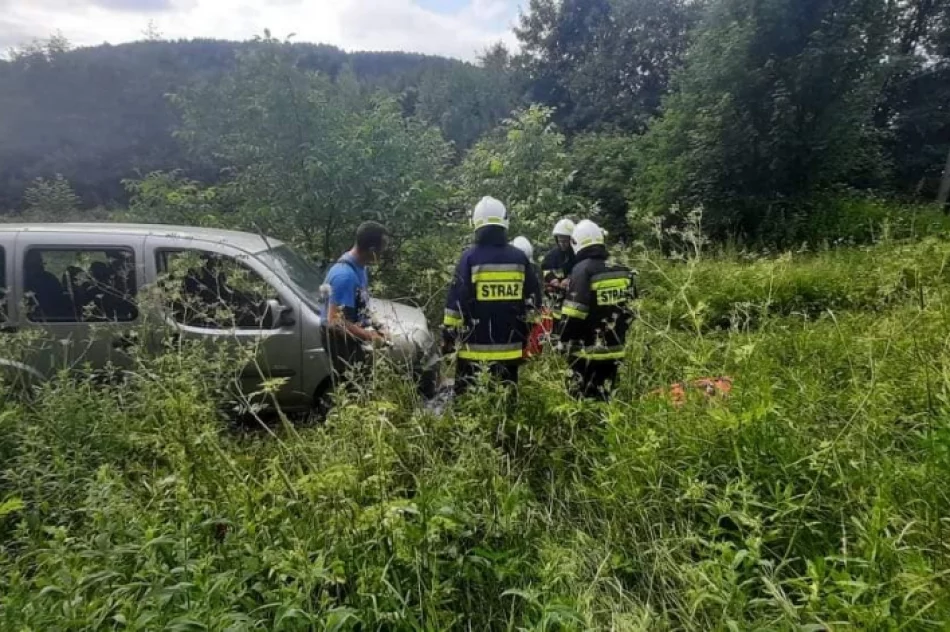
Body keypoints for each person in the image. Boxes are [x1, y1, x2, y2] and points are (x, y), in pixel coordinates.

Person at [443, 197, 541, 397]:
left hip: (472, 352)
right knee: (506, 402)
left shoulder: (469, 258)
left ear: (476, 224)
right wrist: (525, 334)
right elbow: (534, 302)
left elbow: (455, 306)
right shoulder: (519, 258)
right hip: (510, 351)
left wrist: (449, 338)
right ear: (504, 222)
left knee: (468, 403)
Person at [559, 220, 637, 401]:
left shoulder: (582, 270)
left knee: (583, 399)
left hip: (587, 352)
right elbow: (633, 307)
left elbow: (574, 313)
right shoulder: (621, 267)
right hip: (616, 349)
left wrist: (562, 340)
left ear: (577, 242)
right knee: (608, 399)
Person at [323, 221, 389, 382]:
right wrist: (370, 336)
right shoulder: (344, 276)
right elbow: (335, 322)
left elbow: (361, 304)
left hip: (355, 342)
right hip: (341, 348)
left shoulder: (360, 268)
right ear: (372, 250)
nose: (382, 254)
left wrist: (378, 325)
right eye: (381, 250)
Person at [540, 219, 576, 320]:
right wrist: (551, 279)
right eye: (560, 241)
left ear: (571, 239)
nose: (562, 244)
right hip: (555, 298)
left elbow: (581, 270)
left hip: (573, 298)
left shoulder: (577, 255)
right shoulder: (552, 255)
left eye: (565, 241)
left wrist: (570, 279)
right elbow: (545, 269)